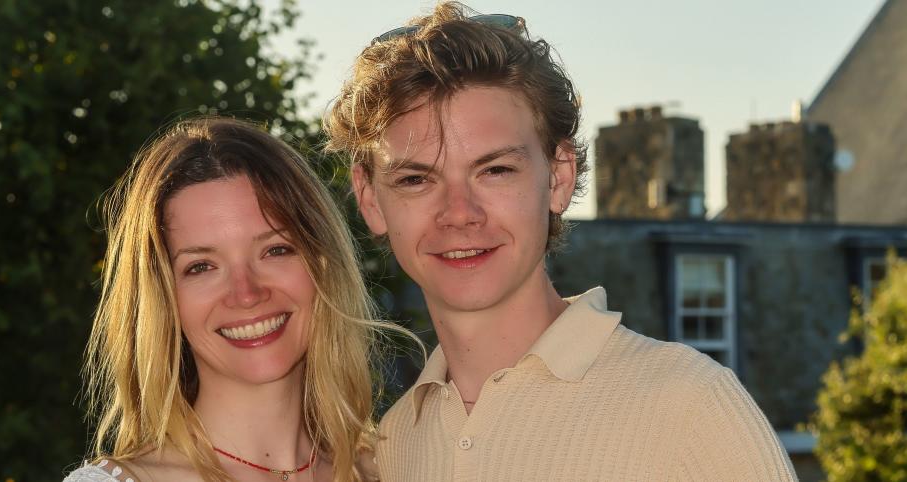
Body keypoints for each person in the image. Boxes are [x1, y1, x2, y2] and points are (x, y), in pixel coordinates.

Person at [324, 2, 798, 481]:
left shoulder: (691, 407)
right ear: (369, 199)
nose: (459, 214)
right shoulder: (394, 445)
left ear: (559, 177)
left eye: (495, 171)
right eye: (415, 180)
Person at [65, 117, 391, 482]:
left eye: (275, 250)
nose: (247, 294)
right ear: (164, 301)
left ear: (322, 263)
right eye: (201, 266)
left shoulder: (401, 468)